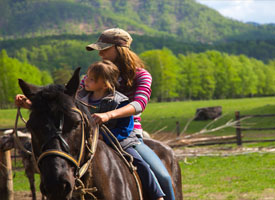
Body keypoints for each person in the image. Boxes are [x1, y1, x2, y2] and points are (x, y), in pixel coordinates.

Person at [15, 60, 165, 200]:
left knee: (140, 164)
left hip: (121, 141)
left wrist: (104, 137)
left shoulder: (119, 101)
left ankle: (157, 195)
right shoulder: (81, 99)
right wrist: (30, 104)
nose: (85, 80)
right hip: (92, 141)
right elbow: (59, 112)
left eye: (91, 79)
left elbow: (126, 129)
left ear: (105, 84)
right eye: (87, 77)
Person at [84, 28, 175, 200]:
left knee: (163, 177)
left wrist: (109, 115)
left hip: (127, 136)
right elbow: (72, 96)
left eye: (105, 48)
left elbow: (139, 104)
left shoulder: (142, 75)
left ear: (120, 48)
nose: (100, 53)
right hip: (93, 136)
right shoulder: (94, 75)